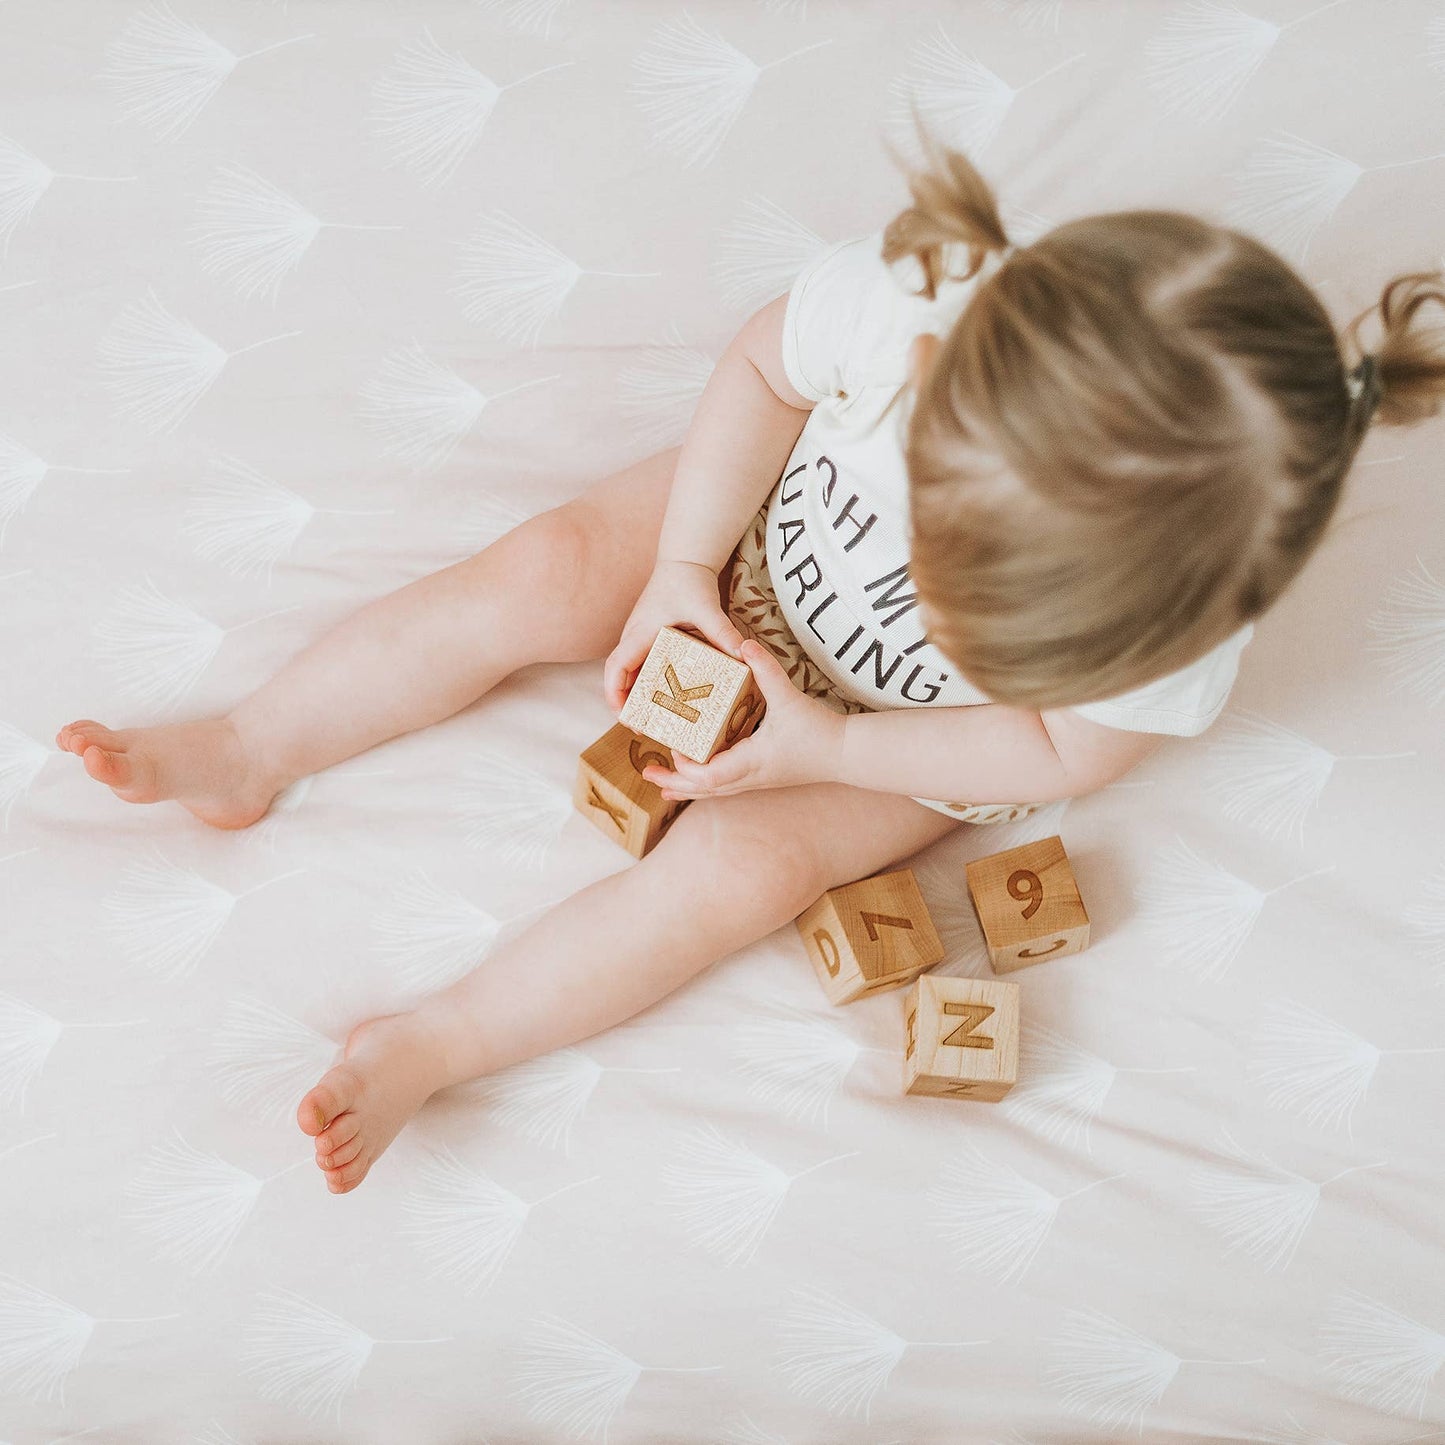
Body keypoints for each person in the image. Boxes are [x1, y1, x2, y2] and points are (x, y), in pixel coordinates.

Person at [53, 124, 1445, 1194]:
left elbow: (1047, 747)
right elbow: (765, 379)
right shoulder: (909, 303)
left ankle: (441, 1041)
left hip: (906, 736)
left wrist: (831, 749)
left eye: (994, 612)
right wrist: (676, 571)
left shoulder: (1183, 635)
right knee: (541, 570)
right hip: (748, 539)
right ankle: (252, 745)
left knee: (745, 871)